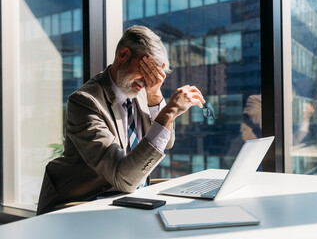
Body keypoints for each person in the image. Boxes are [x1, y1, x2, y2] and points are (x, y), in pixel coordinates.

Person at [36, 25, 205, 215]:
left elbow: (167, 142)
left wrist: (156, 97)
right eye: (146, 70)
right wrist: (170, 111)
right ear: (123, 55)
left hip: (132, 200)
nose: (149, 80)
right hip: (88, 204)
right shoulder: (85, 102)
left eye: (156, 74)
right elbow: (123, 178)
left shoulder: (143, 92)